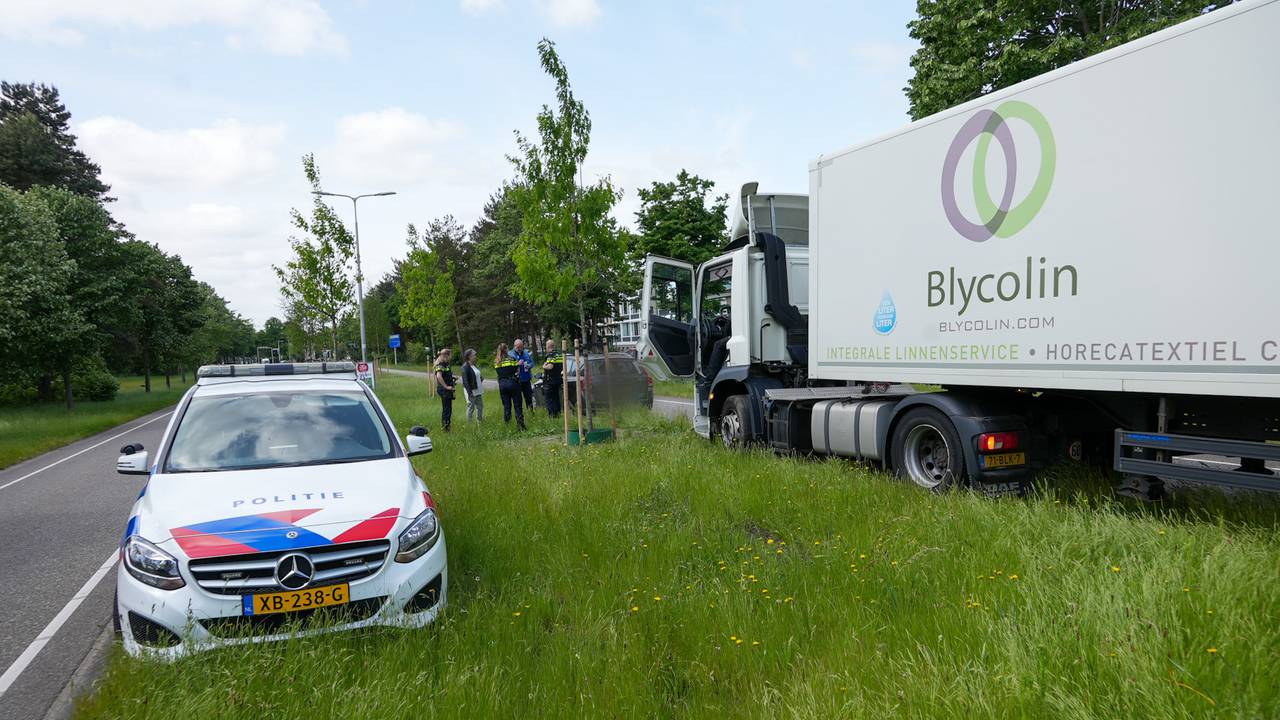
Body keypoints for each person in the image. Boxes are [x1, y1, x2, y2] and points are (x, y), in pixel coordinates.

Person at [494, 343, 526, 430]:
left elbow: (499, 373)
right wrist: (519, 363)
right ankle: (521, 425)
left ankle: (507, 426)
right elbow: (516, 369)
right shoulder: (511, 359)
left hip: (502, 385)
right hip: (512, 383)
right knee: (517, 404)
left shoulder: (497, 362)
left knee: (506, 406)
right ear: (507, 349)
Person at [434, 348, 456, 431]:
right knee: (447, 410)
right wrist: (446, 386)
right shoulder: (440, 364)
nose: (451, 357)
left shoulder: (446, 364)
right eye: (450, 355)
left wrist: (452, 377)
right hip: (444, 390)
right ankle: (446, 428)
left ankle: (447, 426)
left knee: (448, 409)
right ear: (446, 355)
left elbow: (444, 374)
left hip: (447, 390)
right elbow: (439, 376)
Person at [511, 338, 535, 411]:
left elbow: (532, 363)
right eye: (518, 347)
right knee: (518, 399)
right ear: (514, 346)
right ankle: (520, 413)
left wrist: (529, 365)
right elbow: (509, 367)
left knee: (528, 397)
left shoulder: (526, 353)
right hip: (517, 380)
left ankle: (531, 412)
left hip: (526, 379)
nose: (519, 349)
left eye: (521, 347)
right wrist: (517, 364)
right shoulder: (510, 354)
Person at [541, 339, 563, 418]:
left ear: (548, 346)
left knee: (549, 399)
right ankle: (558, 414)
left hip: (550, 380)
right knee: (556, 398)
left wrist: (544, 366)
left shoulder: (551, 355)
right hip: (558, 379)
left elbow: (550, 366)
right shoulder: (559, 355)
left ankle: (552, 416)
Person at [461, 348, 483, 423]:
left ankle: (479, 423)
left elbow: (475, 375)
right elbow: (465, 382)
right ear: (469, 356)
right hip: (471, 391)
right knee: (471, 407)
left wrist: (480, 378)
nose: (475, 356)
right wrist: (470, 393)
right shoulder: (465, 367)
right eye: (474, 355)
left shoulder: (474, 365)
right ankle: (469, 424)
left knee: (480, 407)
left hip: (478, 390)